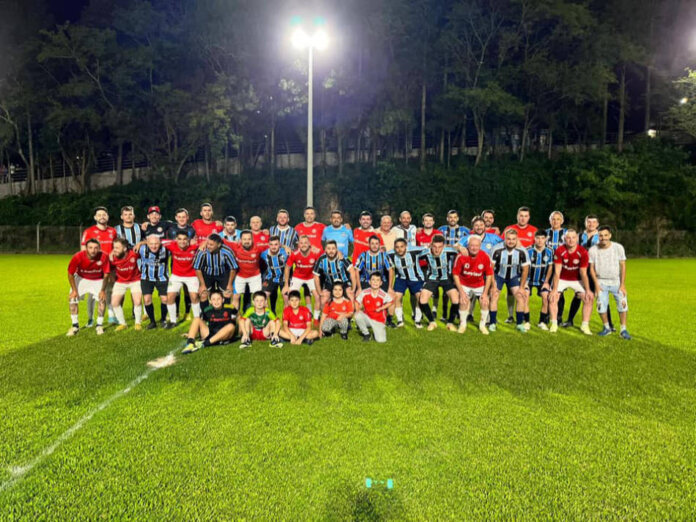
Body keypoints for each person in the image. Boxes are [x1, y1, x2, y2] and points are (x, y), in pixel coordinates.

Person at [548, 229, 594, 335]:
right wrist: (554, 290)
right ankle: (554, 324)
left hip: (577, 280)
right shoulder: (559, 250)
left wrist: (588, 290)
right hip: (562, 279)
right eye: (568, 238)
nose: (571, 240)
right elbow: (557, 272)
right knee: (553, 297)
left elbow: (583, 272)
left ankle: (585, 325)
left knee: (588, 298)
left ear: (577, 239)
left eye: (573, 237)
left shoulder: (583, 252)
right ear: (564, 239)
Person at [589, 226, 631, 339]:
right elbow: (591, 268)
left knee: (623, 305)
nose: (603, 238)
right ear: (598, 236)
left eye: (606, 235)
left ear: (610, 235)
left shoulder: (618, 248)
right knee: (601, 306)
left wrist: (622, 284)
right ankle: (606, 327)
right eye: (601, 235)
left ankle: (623, 330)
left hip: (616, 282)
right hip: (601, 282)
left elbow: (623, 266)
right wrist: (596, 286)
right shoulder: (593, 250)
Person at [566, 214, 608, 328]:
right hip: (582, 270)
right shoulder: (579, 236)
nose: (591, 224)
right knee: (578, 294)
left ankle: (609, 324)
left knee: (600, 295)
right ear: (585, 223)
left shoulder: (601, 236)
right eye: (589, 222)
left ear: (597, 224)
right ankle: (570, 320)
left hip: (596, 269)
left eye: (594, 222)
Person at [81, 206, 118, 325]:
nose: (102, 216)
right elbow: (83, 250)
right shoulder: (89, 231)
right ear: (95, 217)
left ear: (107, 217)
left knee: (109, 291)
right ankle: (91, 319)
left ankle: (111, 316)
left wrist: (113, 254)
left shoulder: (113, 231)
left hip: (110, 267)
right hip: (94, 269)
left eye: (104, 214)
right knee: (92, 294)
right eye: (99, 215)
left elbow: (115, 247)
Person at [489, 229, 530, 333]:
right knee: (494, 295)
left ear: (517, 239)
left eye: (513, 239)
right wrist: (493, 285)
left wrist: (521, 287)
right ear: (505, 239)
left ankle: (519, 324)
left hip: (513, 276)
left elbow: (525, 269)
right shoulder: (496, 249)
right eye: (508, 239)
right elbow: (490, 269)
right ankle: (492, 323)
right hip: (499, 275)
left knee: (521, 297)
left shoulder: (522, 251)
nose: (511, 241)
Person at [66, 239, 110, 336]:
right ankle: (75, 326)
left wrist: (102, 290)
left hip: (98, 279)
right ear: (86, 248)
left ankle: (99, 325)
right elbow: (70, 274)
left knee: (102, 299)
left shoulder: (104, 256)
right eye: (90, 248)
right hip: (82, 278)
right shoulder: (78, 257)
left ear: (99, 249)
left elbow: (106, 275)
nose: (93, 250)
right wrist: (74, 290)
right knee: (72, 299)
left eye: (95, 248)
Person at [417, 235, 460, 331]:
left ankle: (450, 323)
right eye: (434, 247)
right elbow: (415, 257)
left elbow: (461, 252)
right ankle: (432, 322)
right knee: (423, 299)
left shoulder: (449, 251)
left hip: (446, 278)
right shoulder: (425, 253)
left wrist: (460, 248)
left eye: (440, 247)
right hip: (432, 278)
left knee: (456, 299)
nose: (437, 250)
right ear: (431, 245)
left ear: (444, 246)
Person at [452, 235, 493, 335]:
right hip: (464, 283)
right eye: (471, 246)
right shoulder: (461, 256)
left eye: (476, 246)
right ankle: (462, 324)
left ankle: (482, 325)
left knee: (484, 302)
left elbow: (489, 275)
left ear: (480, 246)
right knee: (463, 301)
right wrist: (461, 292)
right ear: (468, 246)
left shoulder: (485, 256)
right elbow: (455, 275)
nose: (474, 248)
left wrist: (485, 293)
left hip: (479, 284)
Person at [503, 206, 537, 322]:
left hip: (526, 267)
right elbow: (502, 244)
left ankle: (524, 317)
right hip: (511, 266)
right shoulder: (510, 228)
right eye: (521, 216)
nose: (523, 218)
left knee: (524, 292)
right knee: (510, 292)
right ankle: (510, 315)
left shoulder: (533, 231)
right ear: (517, 216)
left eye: (526, 216)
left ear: (529, 217)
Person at [355, 235, 395, 327]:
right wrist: (359, 288)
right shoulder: (363, 255)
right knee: (358, 297)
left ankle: (389, 320)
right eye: (372, 243)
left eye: (376, 243)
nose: (374, 245)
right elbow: (356, 271)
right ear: (369, 244)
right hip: (366, 281)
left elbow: (390, 270)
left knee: (392, 295)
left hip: (381, 282)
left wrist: (390, 288)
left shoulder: (384, 255)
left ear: (379, 245)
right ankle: (360, 321)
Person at [386, 238, 426, 328]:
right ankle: (400, 320)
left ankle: (417, 320)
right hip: (401, 278)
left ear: (406, 247)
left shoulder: (414, 250)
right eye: (397, 247)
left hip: (416, 278)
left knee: (419, 297)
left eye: (402, 247)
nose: (399, 249)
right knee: (396, 297)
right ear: (394, 248)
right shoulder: (390, 254)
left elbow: (429, 248)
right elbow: (380, 255)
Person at [165, 231, 201, 324]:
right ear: (176, 239)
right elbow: (155, 241)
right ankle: (173, 321)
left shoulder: (194, 246)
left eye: (185, 239)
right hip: (176, 276)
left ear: (188, 240)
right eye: (180, 239)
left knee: (194, 297)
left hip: (191, 276)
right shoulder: (172, 245)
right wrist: (141, 243)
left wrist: (200, 244)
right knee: (170, 297)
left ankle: (197, 319)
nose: (182, 241)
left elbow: (207, 241)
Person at [136, 234, 171, 329]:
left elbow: (177, 243)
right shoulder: (142, 249)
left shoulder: (166, 249)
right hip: (146, 278)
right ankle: (152, 322)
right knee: (147, 299)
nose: (154, 246)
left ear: (160, 243)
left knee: (165, 299)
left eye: (156, 243)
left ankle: (163, 319)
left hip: (162, 277)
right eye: (151, 244)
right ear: (147, 243)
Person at [193, 233, 238, 309]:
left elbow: (233, 268)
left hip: (222, 274)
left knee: (227, 293)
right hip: (207, 274)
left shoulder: (227, 252)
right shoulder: (202, 251)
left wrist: (230, 284)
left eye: (211, 245)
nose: (208, 246)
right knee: (203, 294)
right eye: (207, 244)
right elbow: (198, 268)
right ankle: (205, 316)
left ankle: (225, 315)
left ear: (219, 245)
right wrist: (202, 285)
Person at [283, 235, 322, 320]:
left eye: (305, 243)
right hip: (298, 277)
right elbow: (287, 267)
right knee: (291, 295)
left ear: (309, 244)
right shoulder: (294, 254)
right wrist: (286, 284)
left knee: (317, 296)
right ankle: (292, 316)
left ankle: (315, 319)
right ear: (298, 245)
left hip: (311, 277)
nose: (303, 245)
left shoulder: (315, 253)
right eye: (301, 243)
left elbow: (321, 266)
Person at [108, 237, 143, 331]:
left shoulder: (134, 254)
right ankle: (123, 324)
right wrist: (112, 278)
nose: (114, 250)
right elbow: (110, 269)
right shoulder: (112, 257)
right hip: (120, 281)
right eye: (114, 247)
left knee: (137, 301)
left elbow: (149, 246)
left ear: (125, 248)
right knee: (114, 303)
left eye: (117, 248)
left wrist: (140, 243)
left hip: (135, 280)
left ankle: (138, 323)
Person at [225, 230, 265, 311]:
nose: (247, 241)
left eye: (249, 239)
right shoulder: (235, 246)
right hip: (240, 276)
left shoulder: (258, 248)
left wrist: (285, 247)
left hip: (255, 276)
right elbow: (220, 240)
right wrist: (204, 243)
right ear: (240, 240)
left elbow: (274, 245)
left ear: (252, 239)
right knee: (236, 297)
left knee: (259, 298)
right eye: (244, 239)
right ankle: (234, 319)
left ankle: (259, 320)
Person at [313, 240, 357, 309]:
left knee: (351, 296)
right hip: (330, 283)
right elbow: (316, 276)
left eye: (333, 248)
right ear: (325, 249)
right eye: (329, 248)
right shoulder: (321, 259)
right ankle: (325, 317)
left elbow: (352, 271)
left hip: (343, 282)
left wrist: (353, 288)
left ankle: (350, 318)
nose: (331, 251)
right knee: (323, 299)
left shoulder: (342, 257)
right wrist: (320, 292)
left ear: (336, 249)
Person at [524, 230, 554, 330]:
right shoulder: (528, 250)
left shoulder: (550, 251)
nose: (540, 240)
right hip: (529, 280)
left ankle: (542, 322)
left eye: (542, 238)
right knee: (525, 295)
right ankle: (526, 322)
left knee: (546, 297)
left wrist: (546, 282)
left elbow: (550, 267)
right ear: (534, 238)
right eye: (538, 238)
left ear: (546, 239)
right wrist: (524, 282)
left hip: (542, 281)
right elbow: (525, 267)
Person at [354, 272, 394, 343]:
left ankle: (378, 330)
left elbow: (391, 301)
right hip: (368, 318)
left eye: (377, 280)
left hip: (379, 320)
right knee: (357, 315)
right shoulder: (364, 292)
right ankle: (366, 334)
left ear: (381, 283)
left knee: (381, 341)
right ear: (369, 282)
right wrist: (358, 310)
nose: (375, 282)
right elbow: (356, 302)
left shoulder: (383, 294)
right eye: (373, 280)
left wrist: (382, 308)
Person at [261, 236, 289, 312]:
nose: (273, 247)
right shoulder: (264, 254)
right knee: (263, 297)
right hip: (270, 277)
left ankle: (286, 321)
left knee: (287, 299)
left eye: (276, 244)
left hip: (284, 278)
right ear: (268, 245)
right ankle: (270, 319)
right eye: (271, 244)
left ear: (279, 244)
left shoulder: (286, 252)